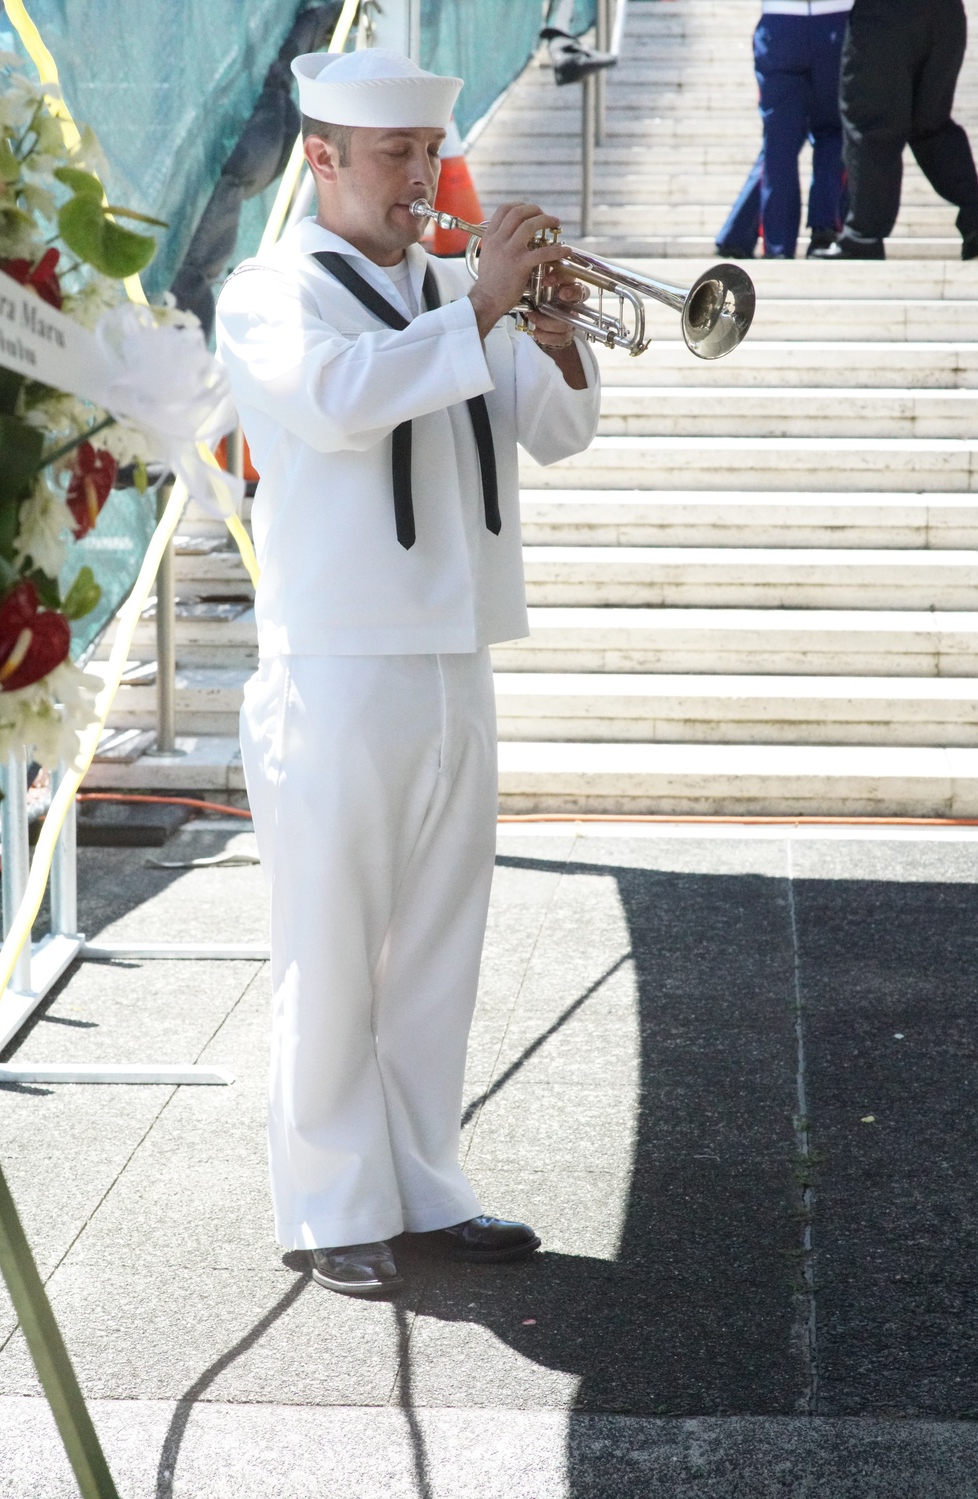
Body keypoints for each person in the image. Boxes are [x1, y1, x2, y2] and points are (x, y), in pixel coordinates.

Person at [215, 48, 600, 1297]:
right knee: (329, 948)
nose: (420, 175)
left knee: (441, 942)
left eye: (428, 152)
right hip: (334, 664)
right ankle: (331, 1204)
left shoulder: (452, 283)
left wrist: (548, 329)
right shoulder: (271, 292)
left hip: (456, 650)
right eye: (395, 154)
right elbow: (338, 401)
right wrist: (482, 308)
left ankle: (427, 1186)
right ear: (321, 156)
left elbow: (556, 430)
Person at [823, 0, 978, 259]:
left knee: (871, 125)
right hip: (946, 15)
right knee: (931, 125)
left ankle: (863, 237)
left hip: (886, 18)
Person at [716, 0, 850, 260]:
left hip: (783, 23)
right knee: (831, 133)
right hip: (834, 20)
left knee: (780, 143)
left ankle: (778, 247)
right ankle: (825, 233)